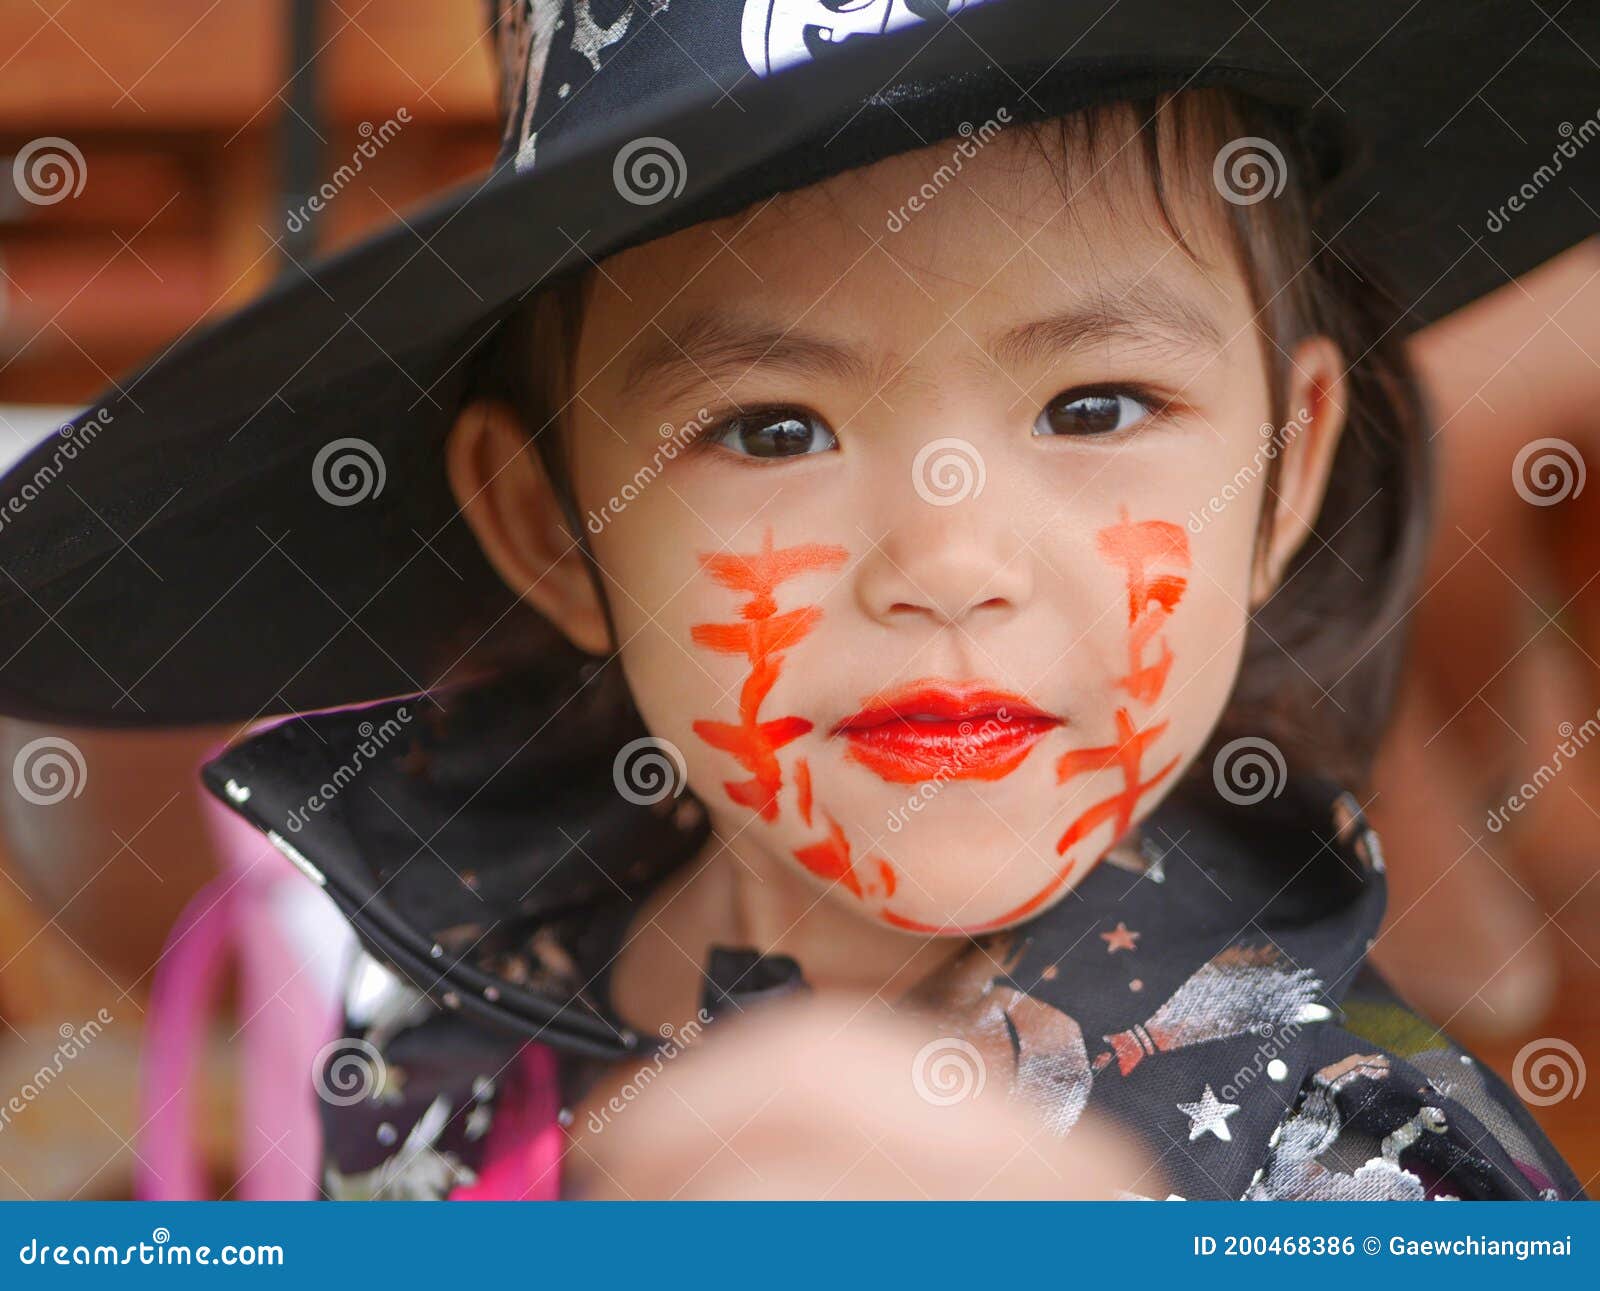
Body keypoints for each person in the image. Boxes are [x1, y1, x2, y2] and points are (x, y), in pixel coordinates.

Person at [0, 0, 1592, 1201]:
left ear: (1286, 467)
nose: (951, 564)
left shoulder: (1381, 1174)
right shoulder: (446, 1012)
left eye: (1097, 407)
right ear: (550, 528)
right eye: (773, 431)